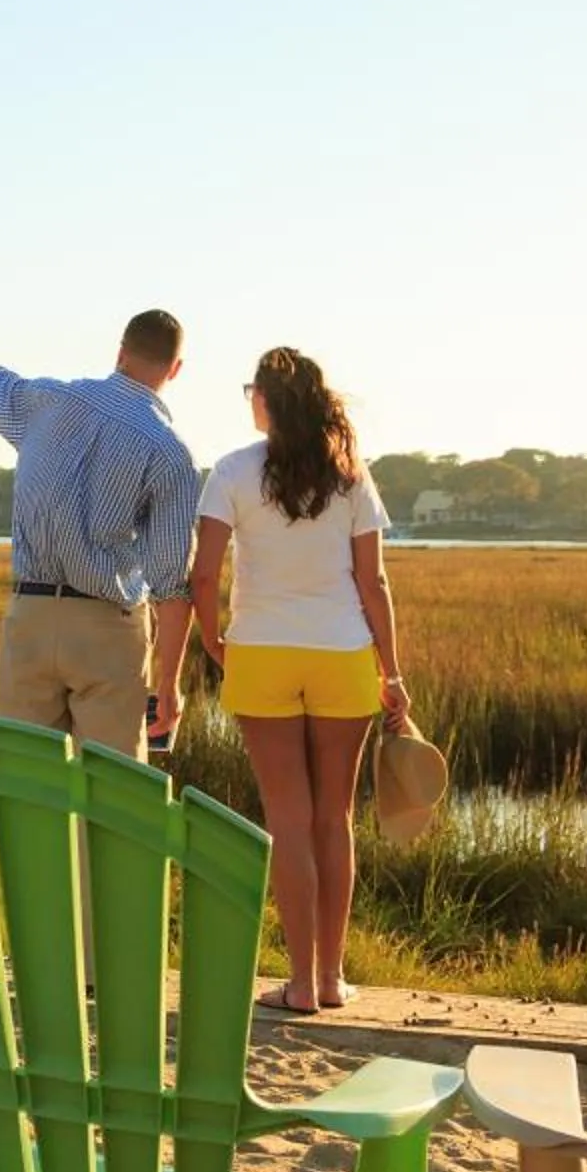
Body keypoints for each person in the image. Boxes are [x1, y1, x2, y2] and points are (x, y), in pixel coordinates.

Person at [189, 346, 407, 1017]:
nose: (248, 397)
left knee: (288, 819)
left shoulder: (230, 471)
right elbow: (373, 582)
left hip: (261, 653)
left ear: (266, 400)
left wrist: (212, 638)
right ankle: (334, 979)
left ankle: (301, 983)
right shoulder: (350, 477)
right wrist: (391, 671)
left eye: (251, 387)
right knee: (332, 819)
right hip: (342, 654)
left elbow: (203, 574)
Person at [0, 309, 203, 761]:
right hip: (107, 628)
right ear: (175, 369)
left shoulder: (47, 401)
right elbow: (172, 584)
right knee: (112, 796)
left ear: (120, 353)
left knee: (27, 787)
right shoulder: (169, 452)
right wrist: (168, 683)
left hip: (30, 618)